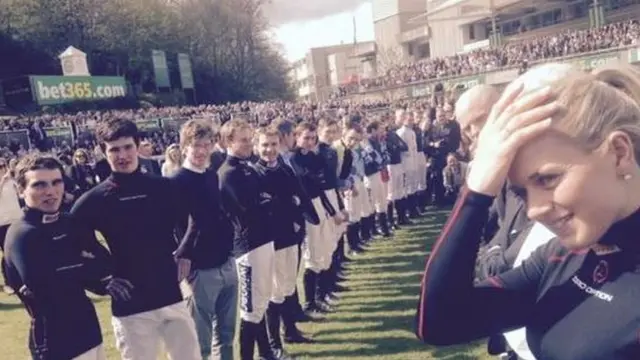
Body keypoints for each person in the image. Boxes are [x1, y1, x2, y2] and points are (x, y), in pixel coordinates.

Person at [416, 63, 640, 359]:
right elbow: (441, 322)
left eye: (547, 179)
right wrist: (477, 191)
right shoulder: (562, 256)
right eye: (521, 193)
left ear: (620, 153)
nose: (533, 210)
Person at [71, 118, 201, 360]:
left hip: (171, 294)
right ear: (103, 151)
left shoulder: (163, 187)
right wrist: (103, 278)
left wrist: (185, 251)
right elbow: (74, 241)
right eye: (114, 149)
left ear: (138, 145)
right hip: (131, 305)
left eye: (127, 147)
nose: (122, 155)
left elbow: (196, 217)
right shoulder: (95, 200)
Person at [3, 154, 132, 360]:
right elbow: (49, 287)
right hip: (55, 343)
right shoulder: (22, 234)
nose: (50, 191)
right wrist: (84, 264)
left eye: (56, 182)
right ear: (21, 190)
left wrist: (82, 268)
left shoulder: (68, 222)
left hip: (89, 332)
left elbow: (104, 265)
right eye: (39, 185)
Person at [171, 120, 238, 360]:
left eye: (206, 144)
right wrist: (184, 259)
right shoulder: (176, 182)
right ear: (185, 147)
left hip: (226, 263)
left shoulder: (211, 176)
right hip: (200, 272)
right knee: (200, 343)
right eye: (195, 145)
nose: (201, 151)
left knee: (227, 337)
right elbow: (172, 228)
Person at [253, 126, 320, 359]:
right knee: (274, 292)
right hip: (271, 241)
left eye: (273, 144)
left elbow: (298, 197)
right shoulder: (255, 174)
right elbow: (264, 208)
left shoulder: (284, 169)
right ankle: (274, 344)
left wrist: (298, 215)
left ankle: (290, 331)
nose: (270, 150)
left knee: (288, 285)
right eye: (265, 145)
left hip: (291, 237)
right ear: (257, 146)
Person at [217, 119, 280, 360]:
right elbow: (248, 209)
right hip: (248, 246)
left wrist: (267, 201)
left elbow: (266, 198)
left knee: (261, 302)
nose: (248, 144)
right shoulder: (228, 173)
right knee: (250, 308)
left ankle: (266, 352)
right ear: (228, 142)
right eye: (243, 140)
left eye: (249, 138)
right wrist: (267, 202)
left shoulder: (248, 167)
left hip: (264, 239)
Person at [292, 122, 342, 316]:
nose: (310, 142)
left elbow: (321, 186)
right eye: (306, 137)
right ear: (297, 137)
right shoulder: (294, 159)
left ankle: (323, 294)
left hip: (319, 204)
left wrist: (331, 210)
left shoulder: (315, 156)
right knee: (312, 256)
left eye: (313, 138)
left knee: (323, 249)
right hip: (307, 209)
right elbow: (307, 185)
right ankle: (310, 303)